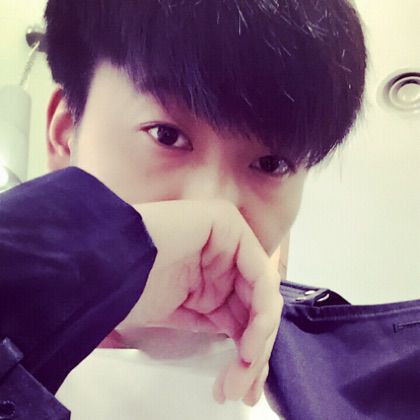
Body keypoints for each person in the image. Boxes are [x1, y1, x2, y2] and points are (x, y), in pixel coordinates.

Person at [0, 0, 366, 418]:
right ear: (65, 134)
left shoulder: (351, 385)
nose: (212, 210)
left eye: (271, 164)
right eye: (166, 135)